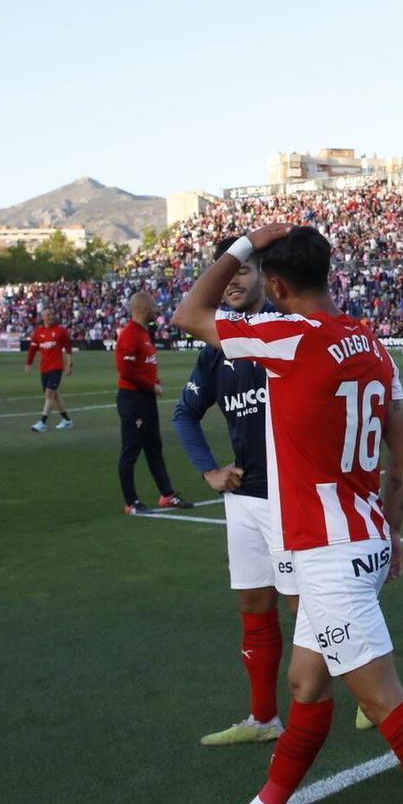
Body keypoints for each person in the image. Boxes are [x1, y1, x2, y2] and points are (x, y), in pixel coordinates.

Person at [176, 224, 403, 804]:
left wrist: (238, 244)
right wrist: (395, 525)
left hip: (328, 551)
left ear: (281, 286)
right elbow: (402, 446)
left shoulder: (287, 336)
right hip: (362, 533)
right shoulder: (371, 342)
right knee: (306, 684)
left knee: (382, 700)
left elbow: (191, 314)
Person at [173, 237, 293, 747]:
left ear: (265, 275)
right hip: (244, 499)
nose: (236, 280)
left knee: (312, 607)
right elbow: (184, 415)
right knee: (254, 603)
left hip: (293, 496)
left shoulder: (284, 333)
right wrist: (209, 472)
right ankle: (264, 718)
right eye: (228, 273)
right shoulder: (214, 353)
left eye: (246, 269)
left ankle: (374, 695)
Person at [115, 291, 191, 514]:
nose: (158, 309)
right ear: (145, 309)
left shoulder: (143, 333)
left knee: (154, 448)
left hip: (145, 399)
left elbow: (141, 365)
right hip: (133, 400)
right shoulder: (130, 334)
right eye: (154, 306)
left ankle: (167, 495)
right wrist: (152, 385)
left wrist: (153, 380)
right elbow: (125, 370)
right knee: (131, 451)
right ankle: (131, 502)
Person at [26, 305, 75, 432]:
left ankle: (42, 422)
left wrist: (69, 364)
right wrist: (28, 363)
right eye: (48, 314)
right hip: (44, 367)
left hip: (56, 366)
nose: (51, 316)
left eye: (52, 314)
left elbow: (68, 349)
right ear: (42, 317)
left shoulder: (60, 331)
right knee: (54, 395)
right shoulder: (38, 332)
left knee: (49, 393)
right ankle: (67, 420)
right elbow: (32, 349)